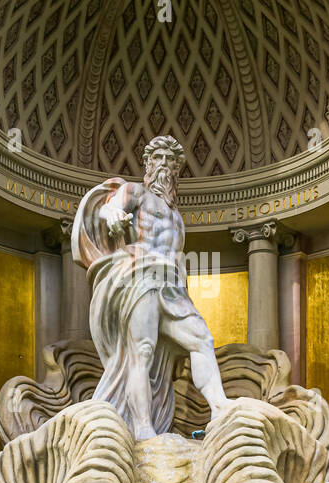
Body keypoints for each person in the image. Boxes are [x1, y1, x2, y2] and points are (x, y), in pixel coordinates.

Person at [72, 135, 233, 439]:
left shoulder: (176, 216)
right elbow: (108, 209)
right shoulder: (135, 193)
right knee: (142, 352)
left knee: (201, 340)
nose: (163, 165)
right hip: (139, 275)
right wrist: (114, 215)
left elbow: (178, 260)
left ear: (176, 170)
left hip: (170, 286)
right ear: (147, 164)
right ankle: (143, 427)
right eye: (157, 158)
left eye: (170, 161)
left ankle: (220, 407)